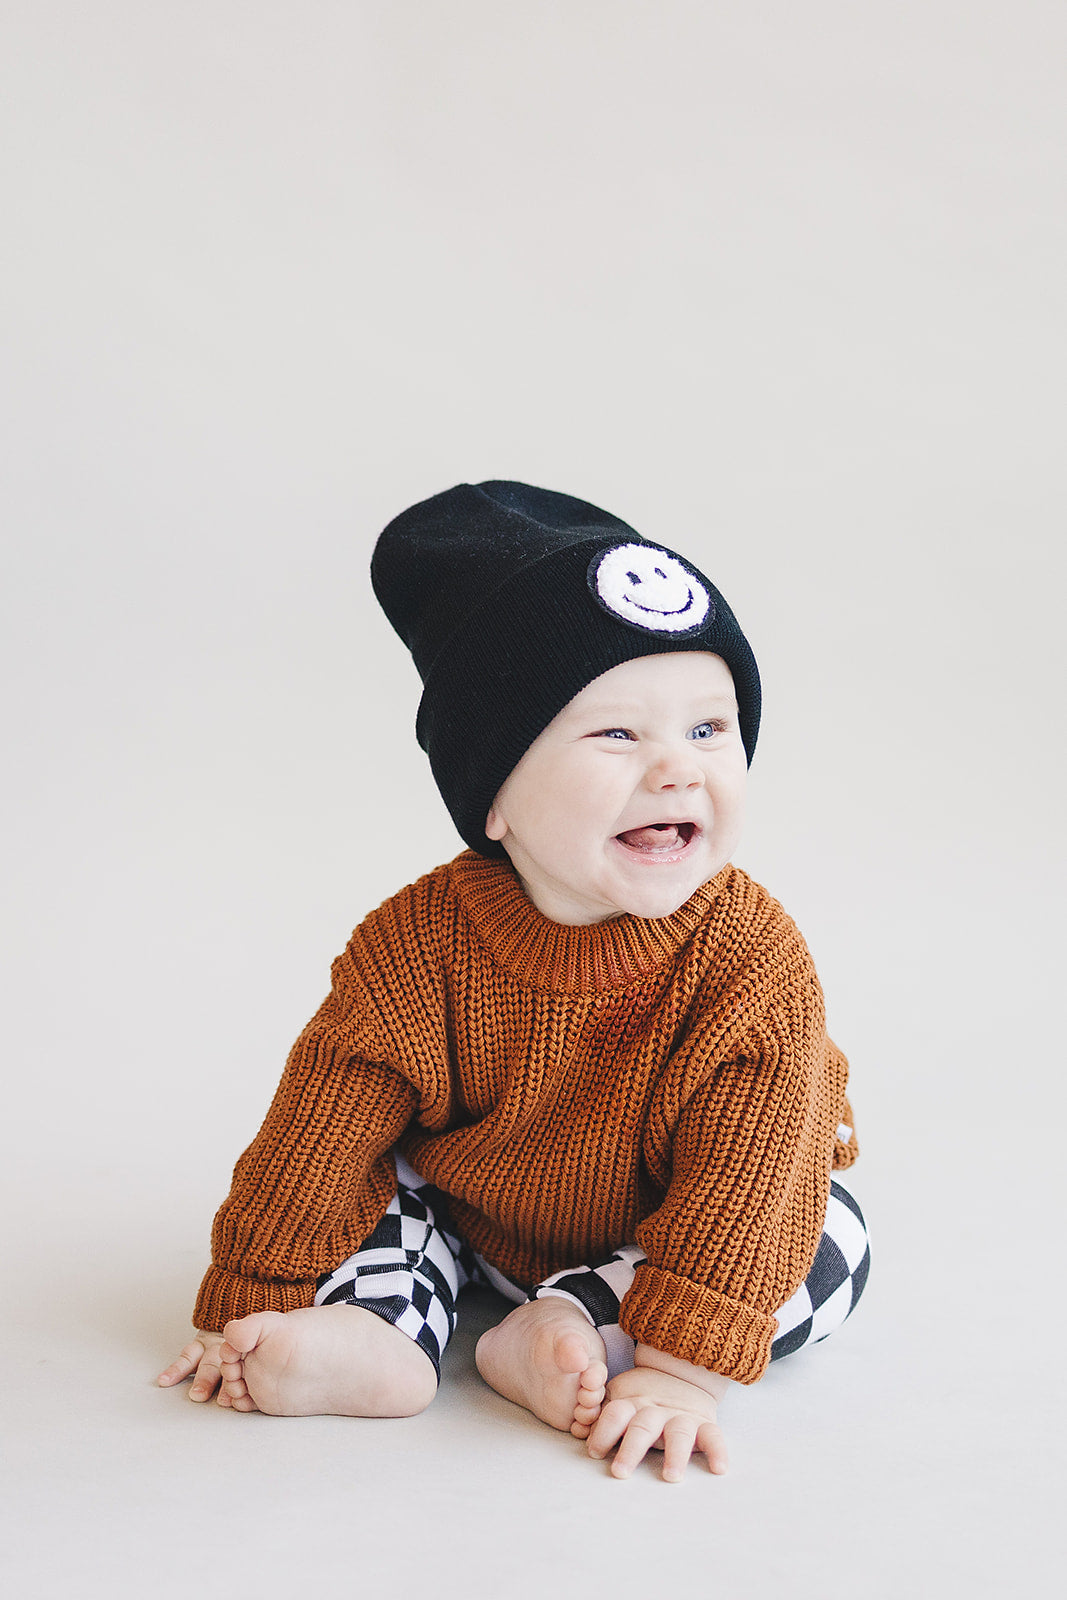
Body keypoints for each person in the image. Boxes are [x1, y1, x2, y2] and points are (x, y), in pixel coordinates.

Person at [158, 480, 869, 1481]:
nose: (678, 768)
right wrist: (250, 1301)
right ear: (493, 796)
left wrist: (679, 1376)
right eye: (617, 735)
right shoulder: (417, 943)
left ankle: (574, 1329)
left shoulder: (751, 957)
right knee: (374, 1189)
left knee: (823, 1230)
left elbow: (750, 1169)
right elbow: (325, 1119)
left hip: (660, 1229)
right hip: (470, 1215)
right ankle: (379, 1336)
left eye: (709, 730)